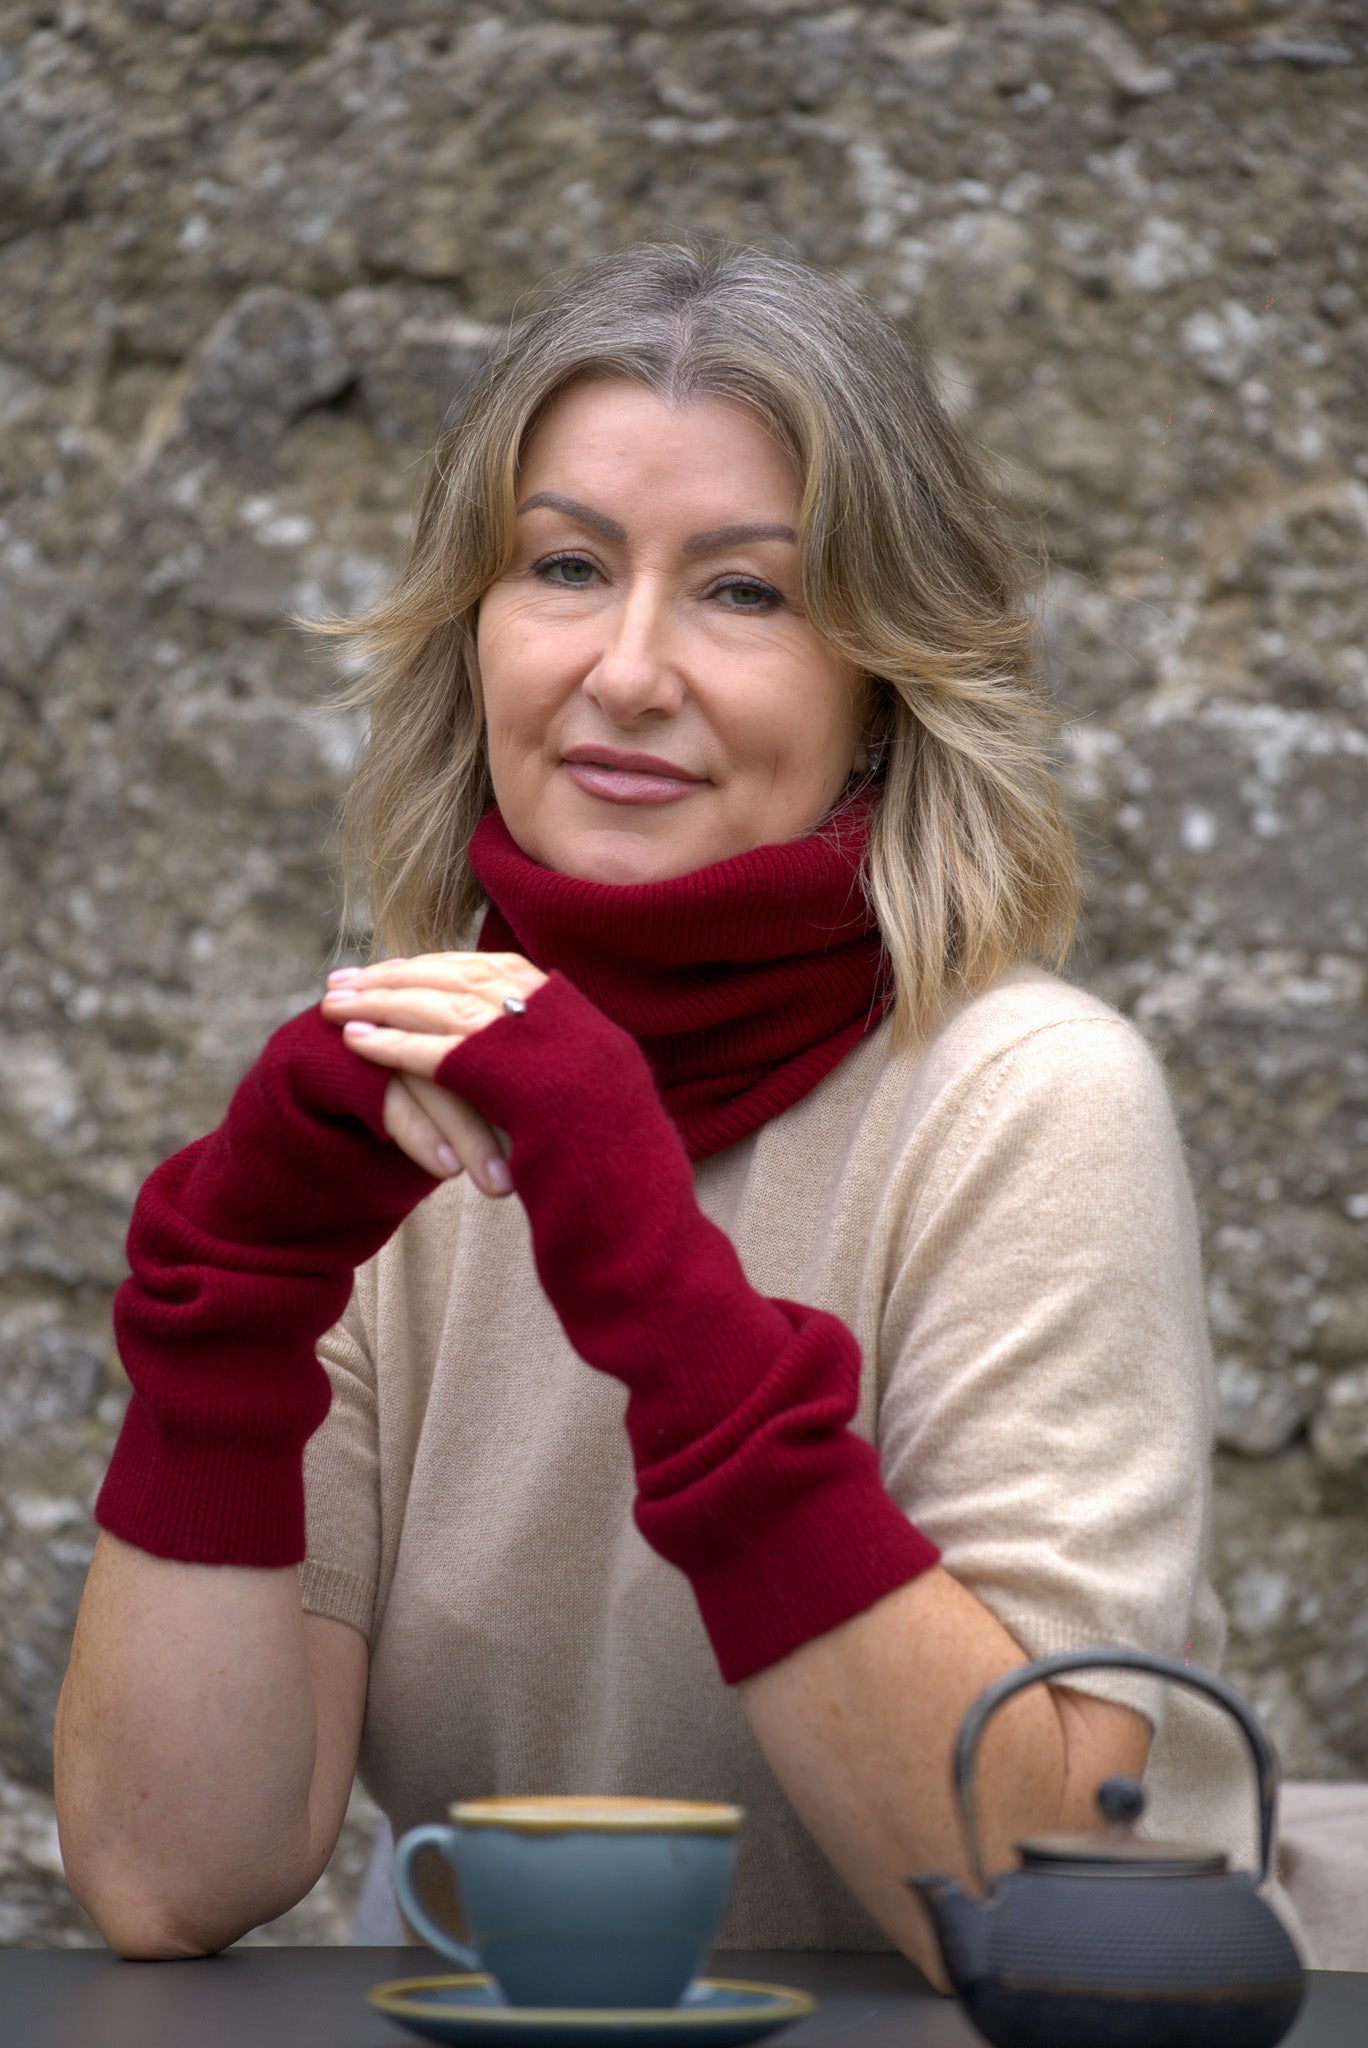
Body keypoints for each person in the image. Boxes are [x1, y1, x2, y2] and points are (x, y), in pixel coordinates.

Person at [53, 242, 1307, 1978]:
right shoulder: (396, 1119)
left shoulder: (1029, 1103)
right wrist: (236, 1293)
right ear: (473, 629)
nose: (628, 669)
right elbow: (164, 1877)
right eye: (565, 566)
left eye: (744, 594)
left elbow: (1034, 1894)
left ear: (882, 682)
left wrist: (647, 1264)